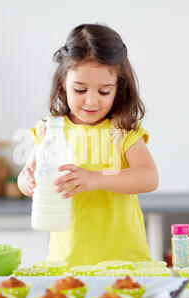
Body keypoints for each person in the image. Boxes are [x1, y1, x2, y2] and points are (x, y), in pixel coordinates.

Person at [17, 23, 159, 266]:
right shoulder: (49, 131)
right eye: (80, 89)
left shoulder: (121, 130)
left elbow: (148, 177)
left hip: (124, 262)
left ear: (118, 88)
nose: (91, 101)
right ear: (63, 82)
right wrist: (27, 182)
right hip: (67, 262)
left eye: (104, 91)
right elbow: (27, 175)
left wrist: (97, 178)